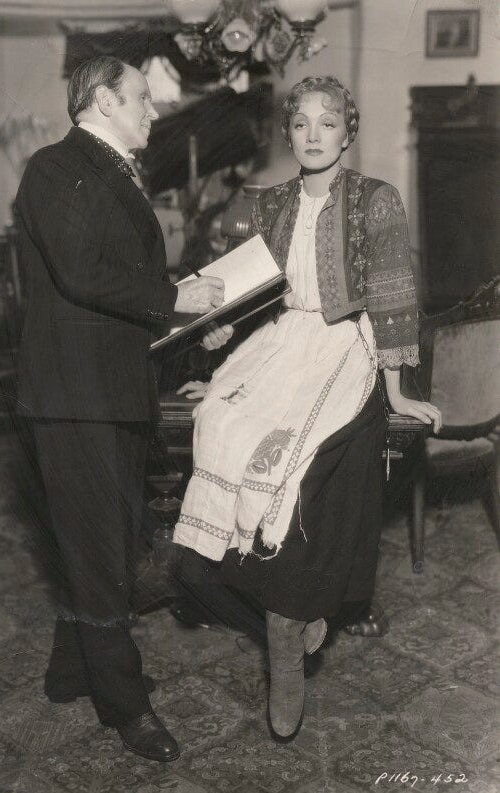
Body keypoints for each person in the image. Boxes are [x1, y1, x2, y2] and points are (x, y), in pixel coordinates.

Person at [172, 76, 441, 740]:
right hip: (278, 342)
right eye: (301, 124)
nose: (314, 135)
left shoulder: (375, 201)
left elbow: (393, 293)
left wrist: (398, 387)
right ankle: (284, 616)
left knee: (291, 463)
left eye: (328, 124)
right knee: (219, 424)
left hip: (342, 344)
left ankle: (287, 638)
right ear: (287, 134)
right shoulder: (269, 203)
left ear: (347, 133)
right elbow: (255, 293)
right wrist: (221, 347)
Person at [14, 56, 224, 763]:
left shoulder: (107, 170)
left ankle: (73, 669)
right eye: (139, 98)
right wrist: (174, 299)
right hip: (76, 398)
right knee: (103, 549)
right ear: (103, 99)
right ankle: (125, 705)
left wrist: (194, 321)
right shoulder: (54, 166)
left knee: (96, 537)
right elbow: (81, 273)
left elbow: (119, 288)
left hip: (106, 390)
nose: (152, 111)